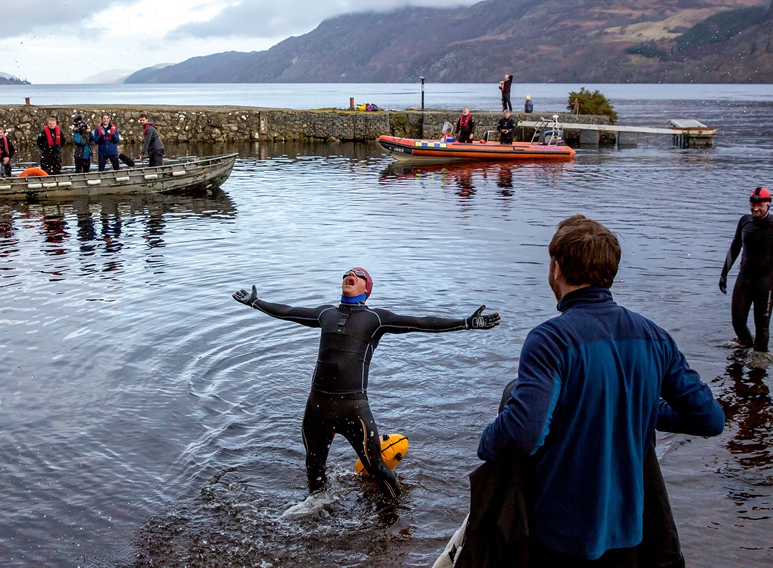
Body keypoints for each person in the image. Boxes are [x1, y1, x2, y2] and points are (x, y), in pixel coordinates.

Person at [478, 215, 724, 566]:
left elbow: (523, 434)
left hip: (559, 535)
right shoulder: (653, 336)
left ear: (557, 269)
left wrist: (487, 440)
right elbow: (710, 418)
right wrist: (639, 407)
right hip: (628, 532)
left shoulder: (549, 340)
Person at [233, 268, 500, 499]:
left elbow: (421, 323)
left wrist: (466, 323)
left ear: (366, 288)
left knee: (376, 467)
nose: (350, 275)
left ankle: (396, 513)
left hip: (353, 408)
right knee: (314, 470)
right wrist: (255, 302)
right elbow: (289, 312)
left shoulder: (375, 319)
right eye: (347, 273)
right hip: (317, 406)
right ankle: (316, 514)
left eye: (358, 275)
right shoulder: (325, 313)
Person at [719, 187, 773, 355]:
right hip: (745, 278)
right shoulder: (744, 221)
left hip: (766, 281)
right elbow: (735, 248)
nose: (755, 208)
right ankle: (745, 342)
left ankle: (759, 366)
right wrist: (724, 274)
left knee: (761, 326)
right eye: (752, 204)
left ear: (768, 205)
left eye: (760, 205)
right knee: (738, 321)